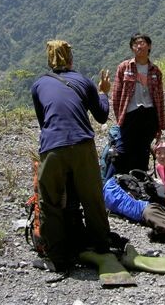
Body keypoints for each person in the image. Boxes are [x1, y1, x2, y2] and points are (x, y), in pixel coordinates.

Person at [31, 39, 111, 273]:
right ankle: (102, 248)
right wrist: (103, 93)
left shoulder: (38, 85)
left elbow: (43, 121)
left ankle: (58, 259)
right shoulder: (83, 81)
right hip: (82, 144)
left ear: (49, 59)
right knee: (92, 198)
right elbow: (102, 116)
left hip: (53, 147)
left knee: (50, 203)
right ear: (71, 58)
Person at [112, 33, 165, 173]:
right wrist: (120, 118)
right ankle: (121, 183)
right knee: (123, 151)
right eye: (135, 44)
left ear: (149, 46)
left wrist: (160, 124)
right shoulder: (124, 67)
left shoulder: (155, 70)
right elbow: (116, 95)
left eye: (142, 43)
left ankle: (140, 183)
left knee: (143, 151)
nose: (139, 46)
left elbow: (159, 98)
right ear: (132, 48)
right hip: (130, 114)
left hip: (149, 115)